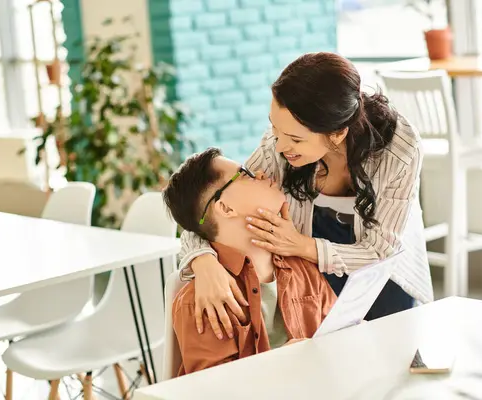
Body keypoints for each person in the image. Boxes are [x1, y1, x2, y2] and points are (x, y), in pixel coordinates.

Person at [179, 52, 433, 340]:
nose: (279, 146)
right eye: (274, 127)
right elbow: (202, 210)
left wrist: (302, 245)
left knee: (394, 350)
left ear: (337, 133)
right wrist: (203, 262)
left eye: (296, 139)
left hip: (383, 267)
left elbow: (380, 250)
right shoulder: (279, 143)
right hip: (310, 264)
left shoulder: (400, 148)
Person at [163, 148, 336, 375]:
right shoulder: (204, 301)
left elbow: (337, 337)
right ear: (225, 208)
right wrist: (281, 363)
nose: (262, 174)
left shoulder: (303, 269)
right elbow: (209, 389)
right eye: (245, 174)